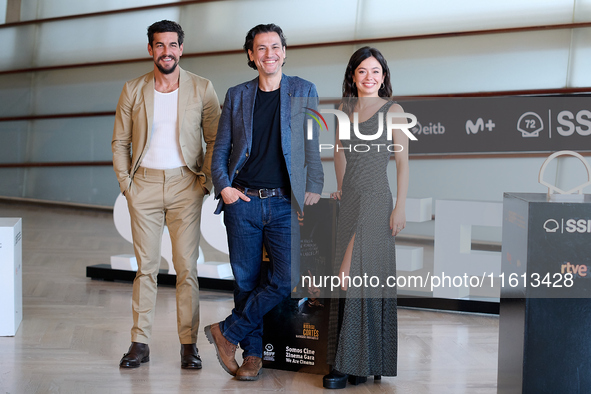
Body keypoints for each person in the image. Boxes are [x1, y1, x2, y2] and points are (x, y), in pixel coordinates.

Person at [204, 23, 323, 381]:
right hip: (243, 201)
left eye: (275, 47)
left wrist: (315, 183)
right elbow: (221, 148)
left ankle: (228, 332)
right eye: (261, 48)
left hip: (284, 203)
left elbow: (312, 146)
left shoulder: (304, 90)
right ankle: (252, 356)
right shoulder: (237, 95)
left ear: (284, 52)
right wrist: (224, 187)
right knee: (246, 281)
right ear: (251, 56)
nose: (269, 54)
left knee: (287, 277)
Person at [112, 20, 221, 369]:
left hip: (185, 186)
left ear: (181, 49)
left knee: (186, 268)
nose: (167, 51)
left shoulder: (202, 88)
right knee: (145, 268)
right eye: (160, 45)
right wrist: (126, 184)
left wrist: (204, 181)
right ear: (151, 50)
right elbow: (120, 142)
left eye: (173, 45)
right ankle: (139, 343)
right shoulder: (133, 89)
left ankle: (188, 345)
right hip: (142, 185)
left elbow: (216, 139)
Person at [323, 46, 410, 389]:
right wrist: (342, 190)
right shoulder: (344, 109)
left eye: (376, 71)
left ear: (384, 76)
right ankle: (360, 361)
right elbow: (339, 154)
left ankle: (348, 364)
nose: (369, 77)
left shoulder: (394, 110)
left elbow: (403, 163)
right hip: (352, 202)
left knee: (351, 274)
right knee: (351, 283)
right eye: (362, 71)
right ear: (353, 75)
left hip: (377, 200)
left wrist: (400, 205)